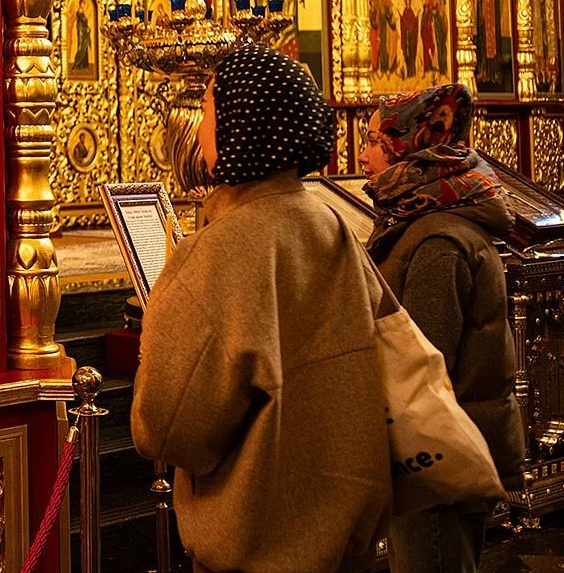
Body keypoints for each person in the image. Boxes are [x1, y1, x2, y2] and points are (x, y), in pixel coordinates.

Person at [132, 46, 391, 573]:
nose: (200, 125)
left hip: (260, 542)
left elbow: (168, 426)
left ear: (240, 125)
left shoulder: (221, 248)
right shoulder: (330, 225)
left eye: (207, 109)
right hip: (346, 543)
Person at [359, 85, 524, 573]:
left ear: (407, 145)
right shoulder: (422, 217)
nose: (361, 154)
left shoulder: (437, 239)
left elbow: (424, 364)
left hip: (435, 458)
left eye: (372, 141)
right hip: (440, 449)